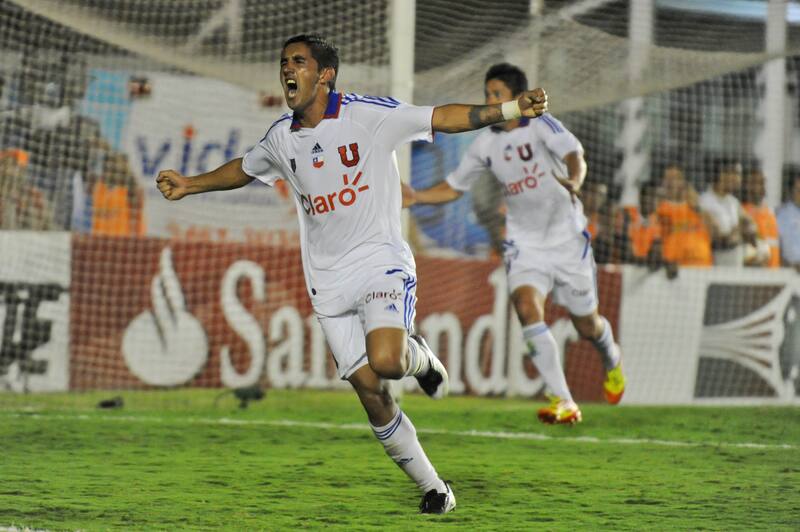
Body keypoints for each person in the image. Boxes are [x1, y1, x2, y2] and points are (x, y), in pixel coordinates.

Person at [155, 35, 548, 514]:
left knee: (386, 360)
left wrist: (511, 111)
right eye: (283, 62)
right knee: (372, 394)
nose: (287, 69)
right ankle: (435, 488)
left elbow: (441, 117)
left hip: (379, 261)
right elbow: (246, 168)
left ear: (325, 75)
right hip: (328, 282)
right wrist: (191, 184)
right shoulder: (281, 136)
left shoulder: (369, 116)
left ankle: (417, 358)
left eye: (298, 61)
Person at [403, 63, 624, 426]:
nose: (489, 100)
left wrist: (575, 179)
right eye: (487, 94)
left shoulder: (540, 125)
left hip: (567, 240)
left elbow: (574, 155)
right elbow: (454, 187)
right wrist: (415, 197)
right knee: (525, 305)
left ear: (516, 98)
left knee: (588, 327)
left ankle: (611, 357)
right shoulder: (485, 144)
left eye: (496, 95)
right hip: (524, 242)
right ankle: (564, 401)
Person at [698, 159, 757, 267]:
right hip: (715, 265)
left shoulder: (733, 202)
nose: (739, 179)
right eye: (736, 173)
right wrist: (738, 232)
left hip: (736, 264)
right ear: (722, 174)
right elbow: (718, 240)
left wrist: (742, 230)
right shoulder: (704, 201)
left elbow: (750, 227)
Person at [655, 163, 714, 267]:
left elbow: (715, 233)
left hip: (702, 267)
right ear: (662, 183)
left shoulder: (696, 207)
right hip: (672, 270)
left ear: (684, 182)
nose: (671, 182)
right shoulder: (658, 210)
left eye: (676, 178)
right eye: (668, 178)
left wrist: (698, 208)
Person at [741, 168, 779, 268]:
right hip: (755, 273)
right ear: (747, 186)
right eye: (755, 182)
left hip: (776, 272)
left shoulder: (771, 212)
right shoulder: (742, 211)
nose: (761, 187)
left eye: (763, 182)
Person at [777, 172, 800, 271]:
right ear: (792, 191)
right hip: (790, 270)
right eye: (799, 191)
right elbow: (781, 244)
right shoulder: (783, 214)